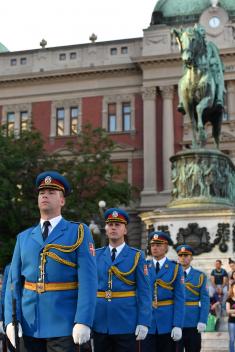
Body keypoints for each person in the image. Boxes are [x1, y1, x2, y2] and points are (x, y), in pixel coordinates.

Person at [4, 170, 97, 352]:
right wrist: (10, 321)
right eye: (41, 193)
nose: (45, 195)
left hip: (64, 324)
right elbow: (13, 283)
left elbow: (88, 281)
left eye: (51, 192)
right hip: (30, 325)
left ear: (62, 200)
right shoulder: (24, 238)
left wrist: (84, 320)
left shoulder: (78, 232)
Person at [92, 208, 152, 352]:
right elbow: (88, 290)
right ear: (105, 229)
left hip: (126, 322)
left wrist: (144, 321)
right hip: (100, 322)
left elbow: (145, 292)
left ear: (125, 230)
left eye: (118, 225)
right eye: (110, 224)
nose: (113, 227)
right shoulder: (96, 256)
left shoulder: (136, 256)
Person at [141, 231, 185, 352]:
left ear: (166, 247)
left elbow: (180, 299)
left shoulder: (175, 268)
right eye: (153, 245)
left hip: (167, 322)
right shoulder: (143, 266)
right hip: (147, 322)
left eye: (159, 245)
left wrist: (177, 325)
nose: (155, 248)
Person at [176, 245, 210, 352]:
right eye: (180, 255)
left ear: (191, 258)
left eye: (186, 255)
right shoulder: (172, 275)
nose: (183, 258)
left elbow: (205, 300)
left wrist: (203, 320)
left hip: (193, 322)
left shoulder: (199, 276)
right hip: (176, 322)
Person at [226, 281, 235, 352]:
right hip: (232, 322)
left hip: (232, 318)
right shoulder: (229, 299)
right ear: (232, 289)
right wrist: (231, 312)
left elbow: (230, 311)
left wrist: (232, 312)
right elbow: (228, 311)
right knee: (232, 339)